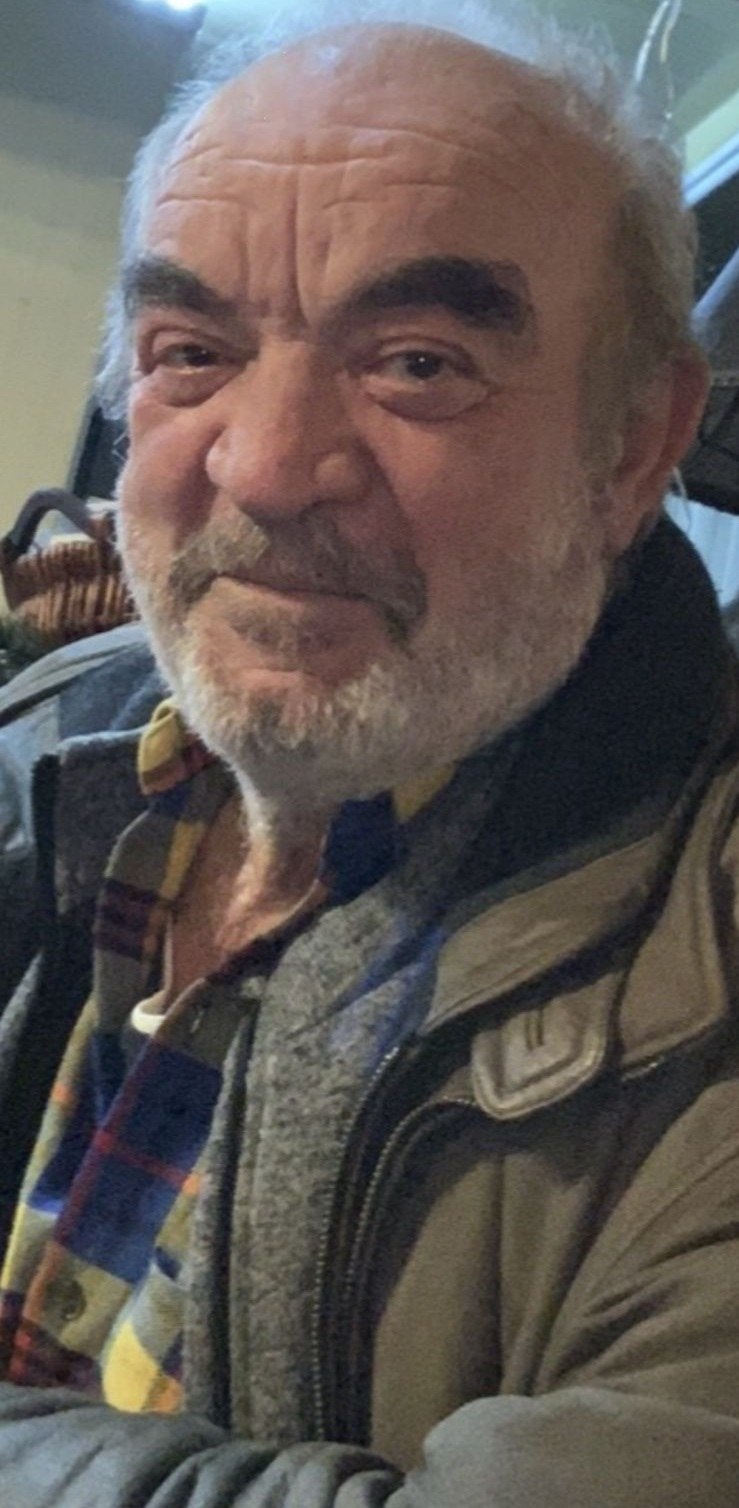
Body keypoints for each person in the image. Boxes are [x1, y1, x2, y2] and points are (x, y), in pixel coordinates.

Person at [0, 1, 739, 1502]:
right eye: (191, 352)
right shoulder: (53, 735)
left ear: (634, 443)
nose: (268, 468)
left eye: (417, 362)